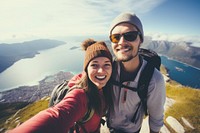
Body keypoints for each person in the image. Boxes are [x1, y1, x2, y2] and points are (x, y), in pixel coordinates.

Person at [9, 39, 113, 133]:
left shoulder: (105, 87)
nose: (101, 71)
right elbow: (55, 117)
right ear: (86, 69)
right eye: (94, 65)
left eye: (107, 64)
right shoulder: (80, 95)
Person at [107, 12, 166, 133]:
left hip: (132, 130)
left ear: (141, 40)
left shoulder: (154, 79)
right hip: (110, 127)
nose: (121, 42)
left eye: (130, 35)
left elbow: (156, 117)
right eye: (115, 37)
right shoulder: (108, 68)